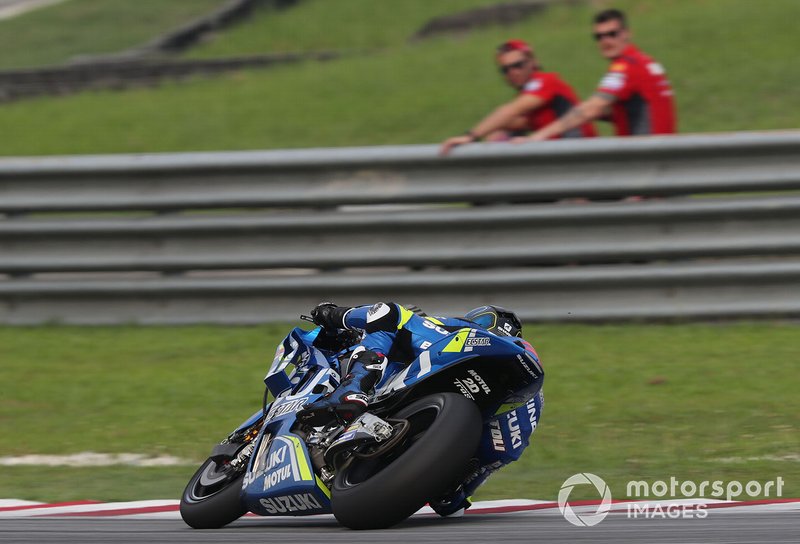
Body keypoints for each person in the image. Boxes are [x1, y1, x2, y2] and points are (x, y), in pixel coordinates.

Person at [297, 301, 544, 517]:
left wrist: (330, 315)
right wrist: (457, 491)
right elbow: (504, 451)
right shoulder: (531, 402)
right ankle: (455, 485)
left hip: (454, 366)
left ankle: (353, 387)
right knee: (451, 501)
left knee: (387, 312)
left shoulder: (452, 326)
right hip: (495, 416)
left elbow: (389, 314)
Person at [521, 8, 676, 141]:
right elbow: (635, 108)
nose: (605, 41)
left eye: (612, 34)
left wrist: (538, 136)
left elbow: (593, 108)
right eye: (599, 36)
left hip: (645, 158)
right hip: (659, 154)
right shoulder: (644, 61)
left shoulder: (625, 66)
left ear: (627, 34)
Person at [439, 39, 596, 155]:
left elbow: (510, 110)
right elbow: (518, 122)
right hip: (563, 160)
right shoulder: (530, 95)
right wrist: (496, 134)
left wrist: (470, 136)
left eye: (517, 65)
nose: (512, 72)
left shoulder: (545, 81)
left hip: (580, 160)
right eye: (505, 70)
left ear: (532, 62)